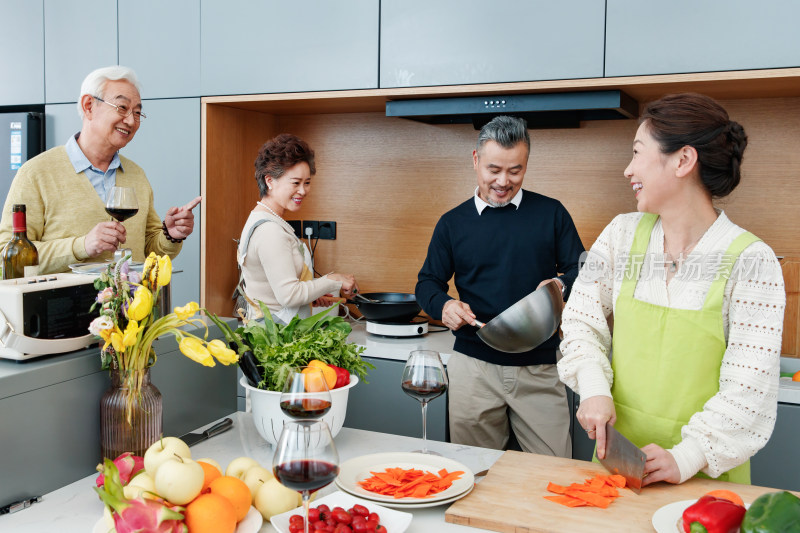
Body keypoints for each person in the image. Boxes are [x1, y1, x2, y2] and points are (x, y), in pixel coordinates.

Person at [558, 93, 785, 486]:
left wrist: (686, 456)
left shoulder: (753, 261)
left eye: (637, 152)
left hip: (707, 484)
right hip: (620, 472)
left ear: (683, 160)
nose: (628, 169)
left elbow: (749, 390)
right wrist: (593, 388)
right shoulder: (621, 235)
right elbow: (580, 320)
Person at [415, 115, 585, 457]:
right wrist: (445, 306)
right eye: (494, 169)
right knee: (475, 474)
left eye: (515, 171)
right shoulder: (452, 223)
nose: (503, 182)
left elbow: (580, 268)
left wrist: (561, 284)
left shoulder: (551, 213)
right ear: (475, 160)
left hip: (539, 367)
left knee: (554, 474)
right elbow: (427, 283)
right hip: (473, 369)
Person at [0, 66, 200, 274]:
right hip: (65, 306)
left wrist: (170, 235)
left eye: (138, 112)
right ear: (88, 106)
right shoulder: (36, 173)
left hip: (131, 306)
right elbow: (7, 254)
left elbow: (149, 251)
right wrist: (82, 245)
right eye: (122, 107)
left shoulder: (136, 175)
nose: (131, 121)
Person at [237, 133, 358, 324]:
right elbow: (289, 296)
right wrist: (334, 279)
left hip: (273, 334)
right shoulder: (270, 231)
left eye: (307, 183)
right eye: (295, 183)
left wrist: (312, 293)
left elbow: (277, 290)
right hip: (275, 339)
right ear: (269, 181)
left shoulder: (262, 218)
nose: (303, 191)